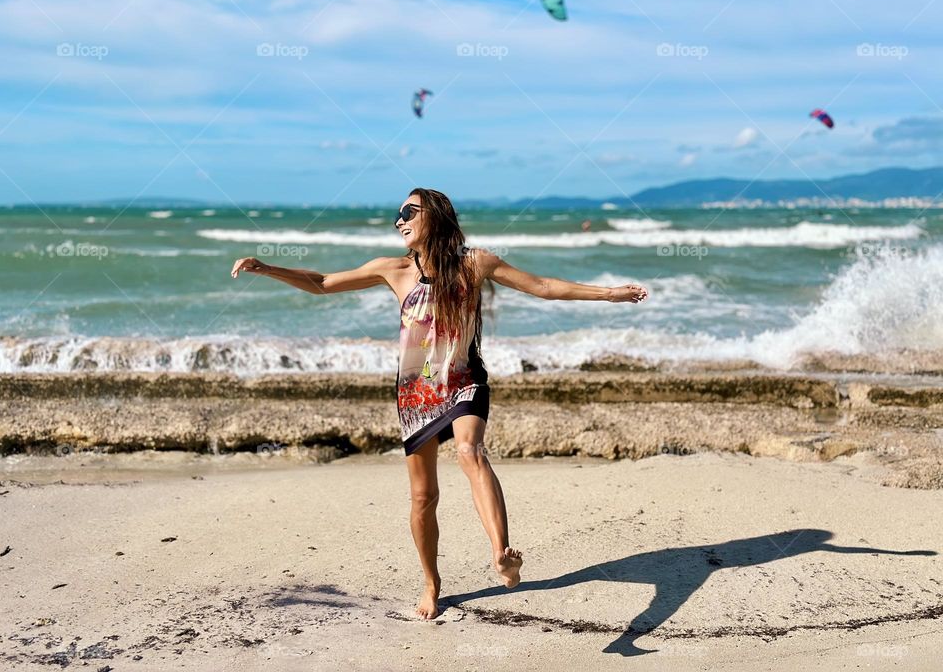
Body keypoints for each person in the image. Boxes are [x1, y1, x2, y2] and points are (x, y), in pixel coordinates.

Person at [230, 187, 649, 620]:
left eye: (409, 210)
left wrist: (611, 293)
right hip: (416, 394)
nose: (399, 219)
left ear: (435, 215)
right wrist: (266, 268)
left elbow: (543, 287)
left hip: (464, 381)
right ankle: (432, 583)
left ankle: (501, 553)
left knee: (471, 451)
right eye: (397, 213)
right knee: (422, 498)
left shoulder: (475, 263)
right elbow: (322, 283)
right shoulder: (393, 270)